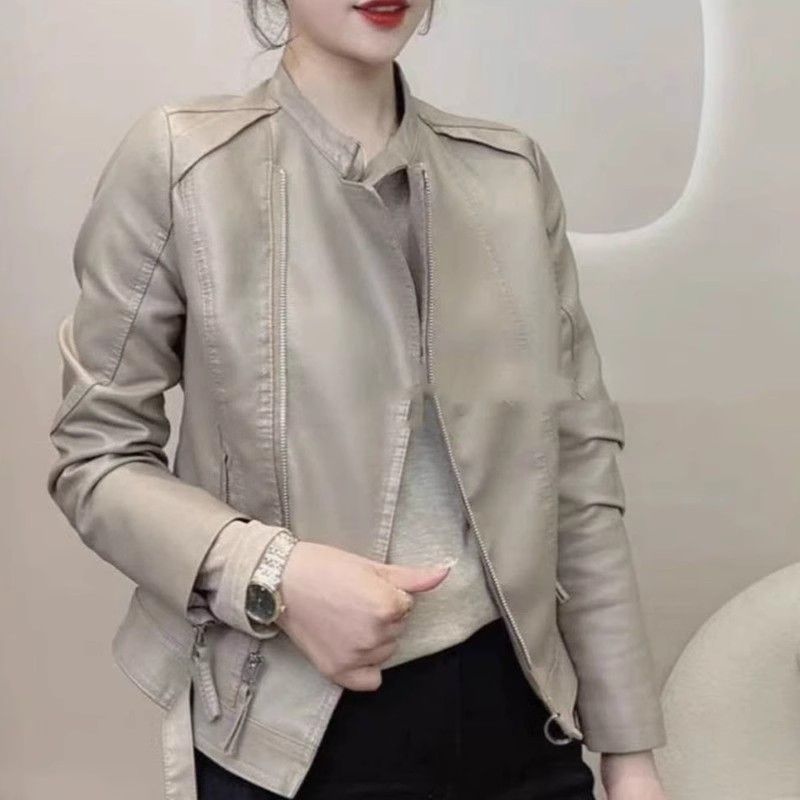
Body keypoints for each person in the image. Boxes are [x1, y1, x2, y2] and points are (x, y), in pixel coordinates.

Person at [46, 0, 670, 798]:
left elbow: (576, 470)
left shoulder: (509, 174)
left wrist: (628, 750)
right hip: (292, 732)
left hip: (519, 716)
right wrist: (273, 574)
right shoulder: (184, 163)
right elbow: (95, 457)